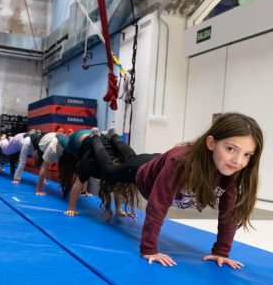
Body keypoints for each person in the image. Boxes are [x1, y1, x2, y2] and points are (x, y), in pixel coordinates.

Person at [90, 112, 263, 269]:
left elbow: (229, 215)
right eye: (231, 149)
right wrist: (149, 249)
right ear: (211, 143)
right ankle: (97, 138)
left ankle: (114, 137)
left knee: (131, 155)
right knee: (109, 171)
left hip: (159, 163)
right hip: (140, 171)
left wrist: (221, 252)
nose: (238, 161)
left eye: (247, 154)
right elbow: (158, 205)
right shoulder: (179, 163)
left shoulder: (230, 173)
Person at [58, 129, 136, 217]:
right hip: (80, 137)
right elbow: (77, 184)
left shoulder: (119, 167)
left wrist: (118, 210)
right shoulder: (91, 162)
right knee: (67, 147)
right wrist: (71, 209)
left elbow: (118, 187)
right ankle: (60, 135)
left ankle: (70, 134)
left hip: (98, 139)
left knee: (116, 183)